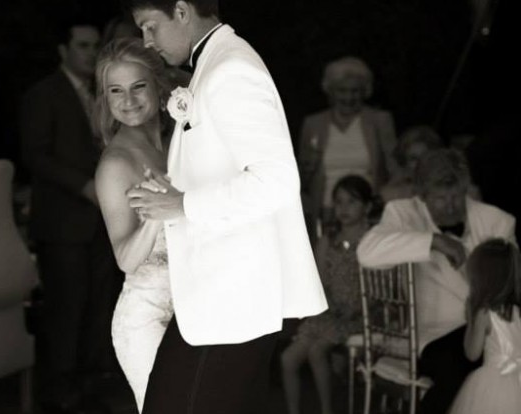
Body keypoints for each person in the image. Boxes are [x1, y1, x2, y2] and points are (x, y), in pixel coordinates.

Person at [121, 1, 328, 413]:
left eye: (150, 26)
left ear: (182, 11)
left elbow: (277, 179)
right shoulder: (216, 64)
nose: (147, 41)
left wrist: (182, 204)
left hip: (231, 299)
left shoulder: (232, 70)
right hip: (219, 297)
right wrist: (174, 191)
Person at [357, 148, 517, 414]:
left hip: (489, 331)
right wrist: (433, 241)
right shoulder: (404, 213)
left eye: (457, 196)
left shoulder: (496, 220)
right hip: (433, 334)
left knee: (485, 363)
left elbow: (510, 281)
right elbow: (367, 252)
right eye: (441, 198)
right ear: (422, 195)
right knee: (459, 364)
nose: (451, 205)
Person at [20, 18, 119, 413]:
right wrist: (83, 186)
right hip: (63, 220)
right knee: (66, 307)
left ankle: (90, 386)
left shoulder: (102, 93)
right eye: (82, 45)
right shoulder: (44, 93)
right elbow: (36, 155)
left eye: (95, 45)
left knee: (98, 304)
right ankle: (59, 390)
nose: (91, 53)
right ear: (63, 50)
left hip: (101, 219)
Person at [93, 37, 177, 413]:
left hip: (195, 310)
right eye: (116, 90)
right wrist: (156, 215)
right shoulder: (116, 164)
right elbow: (125, 259)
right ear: (106, 98)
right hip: (147, 319)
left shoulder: (177, 144)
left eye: (138, 86)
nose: (128, 100)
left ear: (159, 86)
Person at [281, 175, 373, 414]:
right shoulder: (328, 240)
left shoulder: (372, 241)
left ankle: (326, 409)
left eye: (351, 202)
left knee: (317, 351)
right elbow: (319, 282)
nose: (344, 208)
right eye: (339, 202)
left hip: (360, 313)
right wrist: (329, 304)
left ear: (367, 206)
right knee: (288, 359)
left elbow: (377, 285)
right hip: (331, 310)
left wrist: (356, 308)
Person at [298, 56, 396, 235]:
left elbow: (395, 169)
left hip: (368, 212)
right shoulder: (313, 124)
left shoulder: (380, 121)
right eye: (342, 91)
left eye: (355, 91)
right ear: (330, 92)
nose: (349, 97)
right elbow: (301, 177)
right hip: (327, 212)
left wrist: (380, 201)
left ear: (365, 92)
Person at [448, 238, 521, 414]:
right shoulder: (517, 311)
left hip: (493, 383)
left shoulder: (484, 313)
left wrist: (470, 320)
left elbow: (472, 353)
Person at [380, 125, 442, 203]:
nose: (420, 163)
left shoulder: (446, 190)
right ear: (405, 162)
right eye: (413, 159)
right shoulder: (391, 195)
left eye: (424, 156)